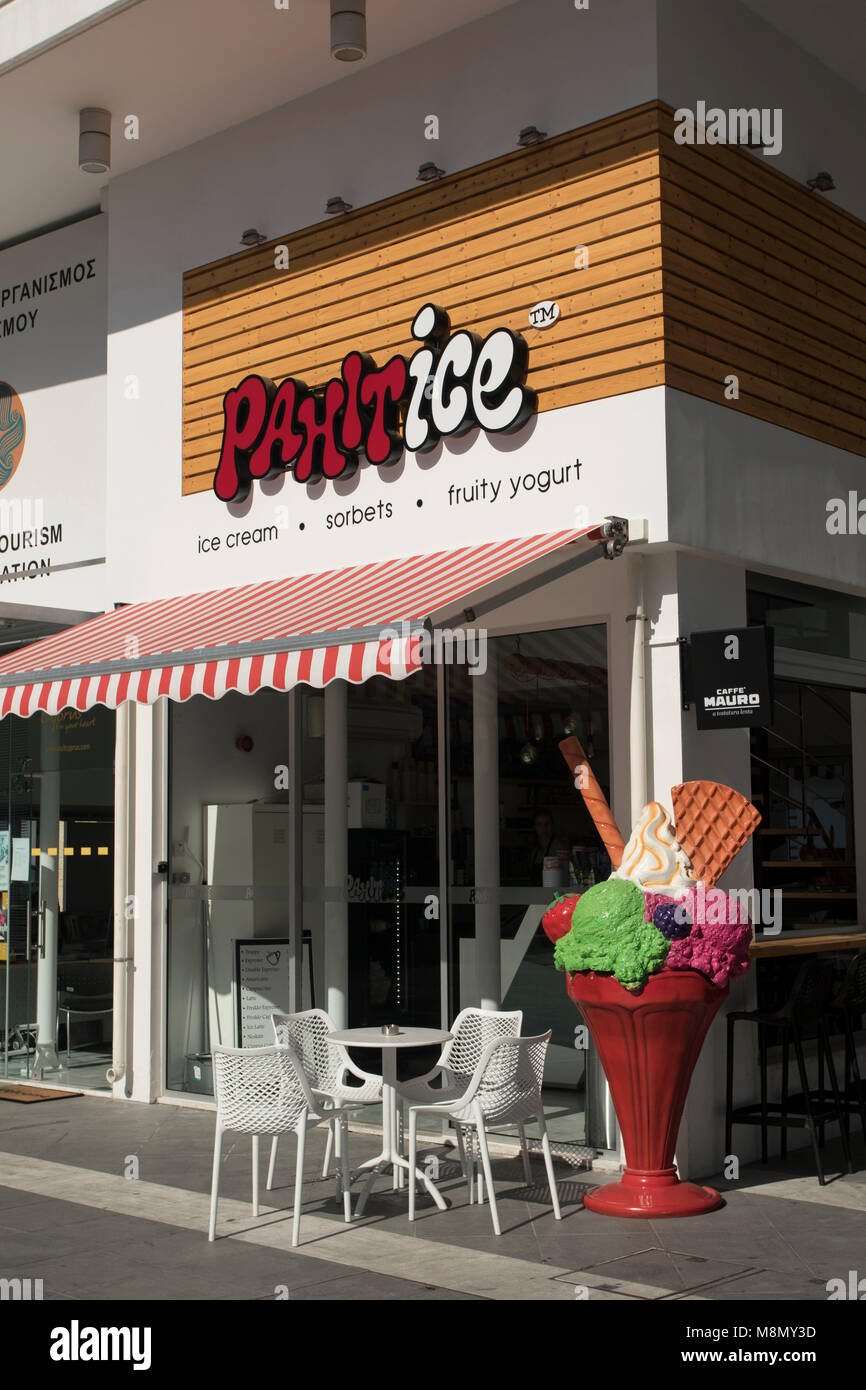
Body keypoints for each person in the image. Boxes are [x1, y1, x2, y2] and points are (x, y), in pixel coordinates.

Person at [528, 809, 569, 883]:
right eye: (539, 824)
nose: (544, 828)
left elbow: (565, 876)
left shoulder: (559, 847)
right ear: (535, 827)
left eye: (547, 824)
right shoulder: (535, 852)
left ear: (552, 825)